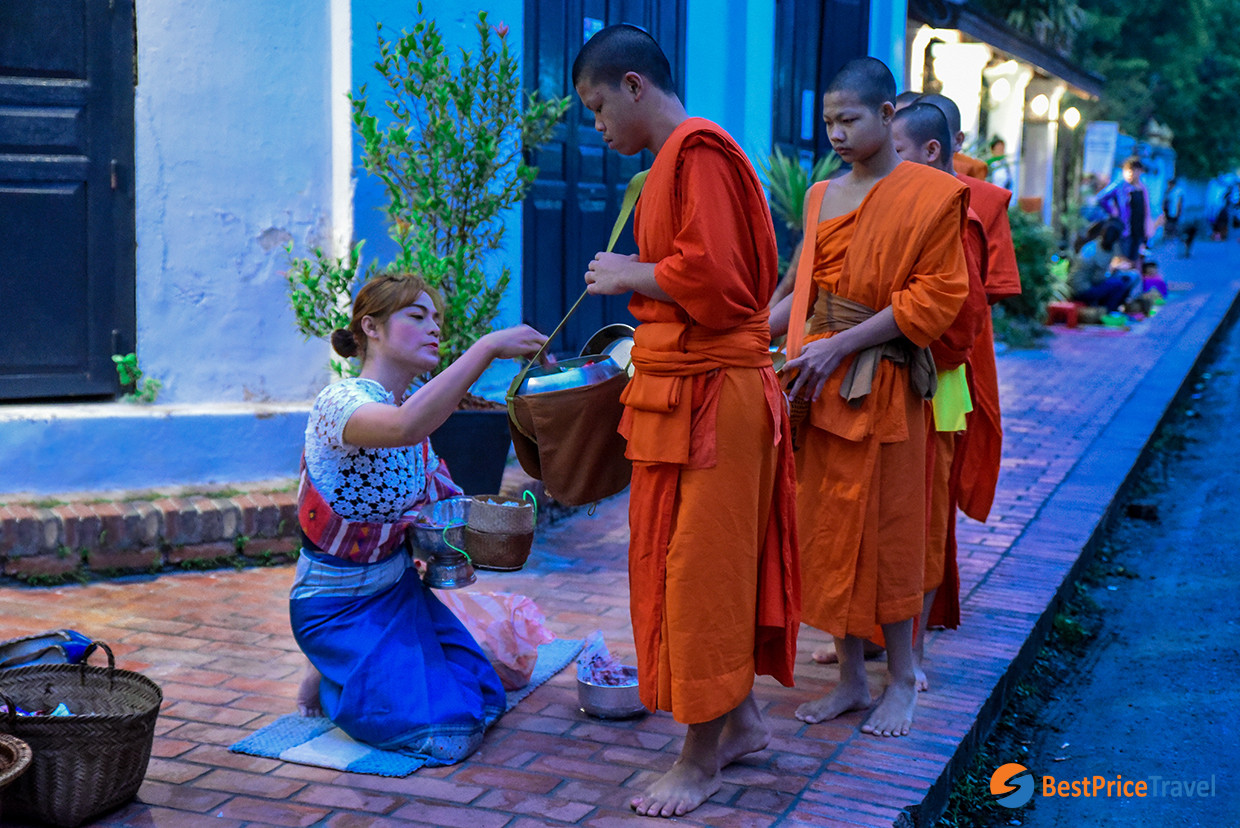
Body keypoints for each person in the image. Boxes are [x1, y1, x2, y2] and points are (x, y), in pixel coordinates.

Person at [572, 24, 800, 818]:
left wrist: (629, 273)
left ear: (635, 85)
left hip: (717, 395)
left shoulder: (699, 151)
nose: (596, 126)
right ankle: (740, 721)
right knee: (679, 561)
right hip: (684, 391)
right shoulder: (669, 164)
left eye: (598, 106)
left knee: (704, 573)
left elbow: (722, 278)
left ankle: (699, 757)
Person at [769, 57, 968, 738]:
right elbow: (806, 293)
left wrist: (843, 344)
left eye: (849, 119)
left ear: (887, 116)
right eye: (828, 121)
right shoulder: (822, 196)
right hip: (821, 384)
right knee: (823, 530)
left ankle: (903, 675)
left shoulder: (931, 194)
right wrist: (746, 335)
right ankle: (851, 677)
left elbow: (936, 297)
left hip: (883, 383)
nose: (836, 133)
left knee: (888, 534)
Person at [290, 272, 548, 765]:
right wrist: (488, 347)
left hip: (397, 593)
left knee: (483, 696)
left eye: (436, 319)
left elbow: (437, 504)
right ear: (372, 327)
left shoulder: (413, 414)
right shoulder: (341, 402)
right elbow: (404, 428)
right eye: (417, 316)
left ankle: (344, 671)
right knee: (447, 733)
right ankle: (329, 673)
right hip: (335, 605)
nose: (434, 328)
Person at [890, 103, 990, 692]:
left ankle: (914, 650)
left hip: (934, 380)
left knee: (922, 523)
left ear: (931, 149)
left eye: (895, 149)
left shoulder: (957, 212)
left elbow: (964, 316)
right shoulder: (879, 196)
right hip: (883, 372)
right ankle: (872, 639)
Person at [915, 92, 1019, 640]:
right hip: (882, 359)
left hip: (947, 358)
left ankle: (913, 643)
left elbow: (983, 294)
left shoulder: (979, 202)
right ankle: (863, 634)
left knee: (930, 505)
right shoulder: (858, 193)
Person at [1069, 219, 1139, 313]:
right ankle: (1108, 311)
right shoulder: (1093, 252)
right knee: (1119, 284)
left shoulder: (1101, 245)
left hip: (1089, 284)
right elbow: (1097, 278)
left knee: (1128, 277)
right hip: (1082, 289)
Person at [1096, 157, 1154, 266]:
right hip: (1124, 230)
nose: (1132, 173)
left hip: (1139, 230)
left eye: (1135, 170)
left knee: (1135, 260)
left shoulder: (1143, 188)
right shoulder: (1120, 186)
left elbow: (1147, 210)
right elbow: (1101, 198)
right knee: (1122, 260)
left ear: (1140, 172)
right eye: (1129, 170)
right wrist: (1112, 211)